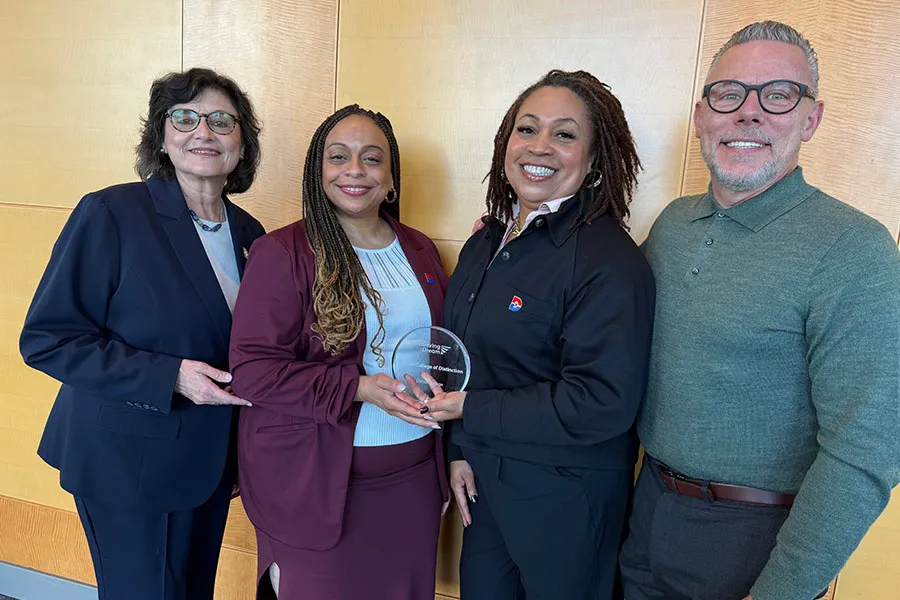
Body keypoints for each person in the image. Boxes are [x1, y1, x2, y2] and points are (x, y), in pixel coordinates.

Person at [619, 21, 900, 600]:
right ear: (702, 116)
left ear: (811, 119)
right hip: (645, 513)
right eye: (729, 93)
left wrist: (783, 590)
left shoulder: (853, 248)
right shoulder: (672, 224)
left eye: (778, 94)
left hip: (757, 542)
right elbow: (603, 328)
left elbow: (865, 452)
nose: (749, 112)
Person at [19, 68, 265, 600]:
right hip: (127, 464)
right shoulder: (113, 212)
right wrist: (170, 377)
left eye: (222, 120)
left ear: (242, 144)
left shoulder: (251, 233)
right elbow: (48, 338)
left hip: (208, 464)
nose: (204, 131)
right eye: (185, 117)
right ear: (161, 135)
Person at [413, 70, 655, 600]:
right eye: (527, 129)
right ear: (506, 144)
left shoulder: (609, 261)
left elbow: (601, 402)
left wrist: (468, 413)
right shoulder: (486, 244)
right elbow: (463, 362)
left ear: (594, 160)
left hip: (567, 500)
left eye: (565, 134)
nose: (539, 146)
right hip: (486, 488)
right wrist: (459, 448)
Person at [229, 104, 450, 600]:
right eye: (339, 156)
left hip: (413, 481)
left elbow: (440, 351)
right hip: (313, 485)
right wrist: (359, 388)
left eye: (372, 159)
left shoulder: (420, 249)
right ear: (317, 171)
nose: (355, 169)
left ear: (391, 178)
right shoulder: (283, 252)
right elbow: (252, 371)